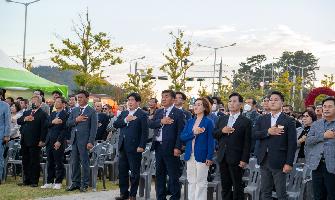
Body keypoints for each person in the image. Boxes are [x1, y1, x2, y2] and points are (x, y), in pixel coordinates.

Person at [253, 91, 297, 200]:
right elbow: (254, 134)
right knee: (265, 192)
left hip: (280, 161)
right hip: (264, 159)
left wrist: (289, 163)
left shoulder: (289, 120)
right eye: (270, 100)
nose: (272, 102)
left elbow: (292, 144)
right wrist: (268, 131)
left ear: (282, 102)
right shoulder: (262, 118)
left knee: (281, 193)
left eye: (276, 100)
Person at [148, 90, 185, 200]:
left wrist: (178, 147)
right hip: (158, 146)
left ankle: (174, 197)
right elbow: (150, 124)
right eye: (162, 96)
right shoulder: (159, 112)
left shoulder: (178, 113)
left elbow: (180, 132)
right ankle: (161, 197)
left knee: (173, 175)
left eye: (166, 96)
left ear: (173, 99)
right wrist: (161, 121)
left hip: (171, 148)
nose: (163, 99)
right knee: (159, 174)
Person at [214, 92, 251, 200]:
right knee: (225, 186)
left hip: (237, 158)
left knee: (237, 186)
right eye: (230, 101)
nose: (231, 103)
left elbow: (247, 142)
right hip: (222, 157)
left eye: (234, 101)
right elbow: (214, 134)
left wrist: (244, 159)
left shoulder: (246, 121)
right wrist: (222, 130)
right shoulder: (222, 119)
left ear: (241, 104)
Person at [113, 93, 149, 200]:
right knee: (122, 171)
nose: (129, 102)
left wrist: (142, 145)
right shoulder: (124, 113)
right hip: (123, 146)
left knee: (134, 172)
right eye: (128, 100)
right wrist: (126, 120)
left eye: (132, 100)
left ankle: (133, 195)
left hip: (135, 147)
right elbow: (116, 124)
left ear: (138, 102)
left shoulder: (142, 114)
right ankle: (124, 194)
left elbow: (144, 132)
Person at [180, 97, 215, 200]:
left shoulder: (209, 122)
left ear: (204, 107)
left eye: (199, 104)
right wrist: (193, 133)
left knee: (201, 182)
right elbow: (183, 137)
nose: (196, 106)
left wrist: (209, 157)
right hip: (189, 155)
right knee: (191, 181)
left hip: (202, 156)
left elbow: (211, 141)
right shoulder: (190, 121)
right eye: (195, 104)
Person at [66, 90, 97, 192]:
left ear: (87, 99)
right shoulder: (74, 110)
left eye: (81, 97)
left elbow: (93, 128)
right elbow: (68, 123)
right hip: (74, 140)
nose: (79, 99)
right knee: (74, 162)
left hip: (85, 141)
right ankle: (75, 183)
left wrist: (90, 142)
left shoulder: (92, 111)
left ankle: (84, 184)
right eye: (78, 98)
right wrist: (76, 120)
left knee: (85, 163)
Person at [305, 97, 335, 200]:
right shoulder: (316, 124)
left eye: (330, 106)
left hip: (332, 166)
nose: (326, 109)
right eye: (324, 106)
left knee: (332, 195)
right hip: (317, 165)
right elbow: (308, 141)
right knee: (318, 195)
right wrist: (323, 136)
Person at [17, 95, 48, 187]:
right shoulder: (27, 112)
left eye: (35, 101)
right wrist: (25, 119)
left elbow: (44, 128)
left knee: (34, 161)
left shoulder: (43, 114)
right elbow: (19, 121)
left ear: (40, 103)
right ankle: (27, 180)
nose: (33, 103)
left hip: (35, 140)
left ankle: (34, 181)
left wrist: (42, 140)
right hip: (25, 139)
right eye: (32, 101)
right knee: (25, 160)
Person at [41, 97, 68, 190]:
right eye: (55, 102)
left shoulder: (66, 114)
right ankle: (49, 181)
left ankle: (58, 181)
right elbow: (46, 124)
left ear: (63, 104)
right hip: (49, 140)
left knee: (58, 161)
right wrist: (53, 121)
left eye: (58, 102)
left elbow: (65, 130)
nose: (55, 103)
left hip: (58, 141)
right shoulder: (52, 114)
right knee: (50, 161)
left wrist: (59, 141)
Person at [0, 89, 10, 184]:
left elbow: (7, 121)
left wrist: (7, 135)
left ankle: (0, 177)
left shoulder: (5, 105)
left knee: (0, 157)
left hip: (1, 135)